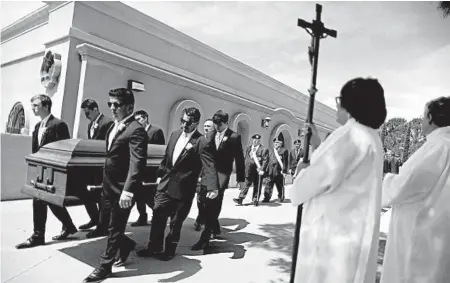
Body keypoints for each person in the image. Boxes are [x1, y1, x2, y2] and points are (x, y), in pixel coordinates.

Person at [290, 77, 387, 283]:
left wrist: (301, 171)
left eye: (339, 99)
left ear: (350, 104)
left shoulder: (349, 135)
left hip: (331, 243)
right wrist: (318, 145)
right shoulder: (372, 138)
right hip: (352, 236)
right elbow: (340, 173)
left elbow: (307, 187)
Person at [380, 96, 450, 283]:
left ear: (431, 117)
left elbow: (406, 184)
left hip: (417, 232)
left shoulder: (438, 146)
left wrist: (386, 182)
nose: (421, 120)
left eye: (423, 115)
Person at [83, 88, 148, 282]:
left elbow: (137, 163)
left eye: (116, 104)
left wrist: (128, 191)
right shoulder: (113, 127)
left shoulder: (136, 129)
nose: (112, 108)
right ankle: (126, 244)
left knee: (115, 227)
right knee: (106, 225)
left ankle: (105, 266)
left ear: (129, 107)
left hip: (122, 190)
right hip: (107, 187)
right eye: (110, 103)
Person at [137, 107, 219, 261]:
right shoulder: (175, 134)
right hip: (165, 184)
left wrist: (213, 187)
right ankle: (154, 247)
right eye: (182, 121)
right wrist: (159, 175)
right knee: (157, 215)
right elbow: (167, 158)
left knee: (175, 222)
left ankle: (169, 251)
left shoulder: (201, 141)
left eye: (188, 122)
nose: (184, 125)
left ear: (196, 123)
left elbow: (209, 165)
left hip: (183, 189)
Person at [16, 94, 78, 249]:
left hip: (54, 171)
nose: (33, 108)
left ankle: (39, 235)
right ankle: (64, 228)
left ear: (45, 106)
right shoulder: (37, 127)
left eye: (36, 105)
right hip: (40, 171)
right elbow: (36, 151)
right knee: (44, 200)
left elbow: (65, 148)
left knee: (47, 200)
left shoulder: (58, 125)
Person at [192, 110, 245, 250]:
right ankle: (214, 227)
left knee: (213, 203)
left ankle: (205, 237)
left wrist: (241, 179)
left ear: (226, 123)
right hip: (207, 173)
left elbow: (239, 159)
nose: (217, 127)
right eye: (215, 124)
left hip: (222, 174)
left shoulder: (234, 137)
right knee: (202, 201)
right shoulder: (210, 134)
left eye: (220, 125)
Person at [79, 99, 114, 239]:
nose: (86, 115)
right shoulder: (90, 125)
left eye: (87, 112)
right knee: (89, 193)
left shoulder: (107, 123)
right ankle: (94, 218)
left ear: (95, 109)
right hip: (92, 166)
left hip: (103, 166)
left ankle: (102, 226)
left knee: (102, 197)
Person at [131, 110, 166, 227]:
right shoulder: (136, 132)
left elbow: (161, 152)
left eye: (139, 119)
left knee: (149, 195)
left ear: (145, 118)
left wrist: (159, 172)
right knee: (138, 194)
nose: (137, 122)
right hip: (139, 168)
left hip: (151, 170)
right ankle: (142, 217)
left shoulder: (155, 131)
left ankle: (160, 213)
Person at [233, 134, 269, 206]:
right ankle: (240, 199)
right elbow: (246, 158)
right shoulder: (249, 148)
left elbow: (265, 160)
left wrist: (262, 169)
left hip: (258, 171)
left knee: (257, 185)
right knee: (246, 184)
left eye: (257, 140)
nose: (255, 141)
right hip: (248, 170)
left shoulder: (263, 149)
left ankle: (255, 199)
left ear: (259, 141)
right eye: (254, 140)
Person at [193, 118, 215, 231]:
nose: (206, 128)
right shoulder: (200, 139)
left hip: (209, 176)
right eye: (205, 126)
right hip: (199, 174)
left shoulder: (216, 142)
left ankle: (203, 222)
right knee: (199, 200)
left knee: (208, 202)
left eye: (209, 126)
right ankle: (201, 219)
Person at [262, 136, 288, 203]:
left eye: (277, 142)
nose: (276, 144)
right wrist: (264, 170)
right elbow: (267, 161)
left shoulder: (284, 151)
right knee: (268, 185)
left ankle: (280, 197)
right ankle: (266, 198)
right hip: (270, 172)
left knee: (280, 186)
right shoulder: (271, 151)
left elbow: (285, 162)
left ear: (281, 143)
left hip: (279, 171)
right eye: (275, 142)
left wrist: (284, 171)